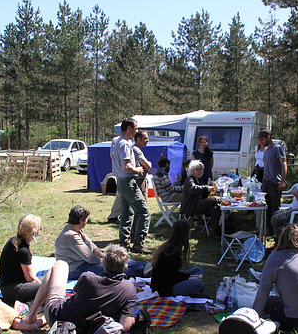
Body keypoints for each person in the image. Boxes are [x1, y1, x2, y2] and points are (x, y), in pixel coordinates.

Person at [25, 245, 138, 333]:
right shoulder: (129, 289)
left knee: (60, 264)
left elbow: (76, 292)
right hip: (90, 330)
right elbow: (126, 325)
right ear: (125, 268)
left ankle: (31, 314)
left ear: (103, 264)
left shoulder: (88, 278)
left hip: (58, 318)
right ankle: (33, 315)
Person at [55, 205, 148, 280]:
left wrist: (105, 256)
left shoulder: (77, 230)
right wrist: (107, 262)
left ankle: (145, 267)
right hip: (76, 268)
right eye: (86, 219)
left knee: (119, 259)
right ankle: (145, 275)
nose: (87, 221)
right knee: (116, 269)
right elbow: (89, 257)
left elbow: (93, 247)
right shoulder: (71, 235)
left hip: (84, 263)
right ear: (81, 220)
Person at [112, 118, 151, 254]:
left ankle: (124, 242)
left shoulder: (120, 142)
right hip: (127, 181)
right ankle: (139, 243)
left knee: (127, 212)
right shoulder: (124, 144)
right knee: (144, 212)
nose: (137, 131)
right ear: (129, 129)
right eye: (135, 129)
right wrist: (138, 170)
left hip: (123, 181)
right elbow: (126, 166)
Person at [150, 219, 204, 297]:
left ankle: (191, 285)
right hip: (164, 289)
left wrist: (189, 277)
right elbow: (169, 278)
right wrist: (188, 278)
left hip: (168, 280)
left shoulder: (172, 246)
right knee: (198, 284)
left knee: (198, 270)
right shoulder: (172, 252)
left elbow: (173, 273)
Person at [0, 214, 43, 305]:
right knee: (47, 288)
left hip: (6, 286)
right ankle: (31, 306)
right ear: (33, 233)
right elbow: (30, 278)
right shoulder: (23, 251)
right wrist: (44, 286)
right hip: (12, 290)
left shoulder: (13, 241)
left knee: (48, 280)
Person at [180, 160, 222, 237]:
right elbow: (193, 189)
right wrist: (207, 187)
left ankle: (213, 231)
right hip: (192, 206)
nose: (200, 171)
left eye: (201, 169)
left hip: (200, 205)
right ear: (192, 170)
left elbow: (203, 194)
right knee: (215, 199)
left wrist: (209, 189)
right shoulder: (189, 180)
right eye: (198, 169)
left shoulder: (200, 180)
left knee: (216, 208)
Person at [258, 129, 287, 235]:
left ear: (268, 137)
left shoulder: (277, 148)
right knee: (267, 208)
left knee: (275, 210)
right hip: (266, 182)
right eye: (259, 139)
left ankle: (278, 234)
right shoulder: (266, 150)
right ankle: (270, 232)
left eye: (262, 139)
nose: (260, 141)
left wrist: (282, 181)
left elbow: (284, 164)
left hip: (275, 183)